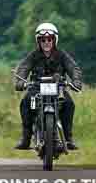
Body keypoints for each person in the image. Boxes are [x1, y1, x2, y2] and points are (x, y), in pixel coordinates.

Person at [13, 22, 83, 151]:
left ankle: (68, 139)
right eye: (43, 39)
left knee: (69, 104)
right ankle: (26, 139)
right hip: (36, 88)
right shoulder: (33, 55)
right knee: (25, 103)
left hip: (58, 88)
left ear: (54, 40)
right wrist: (20, 81)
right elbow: (23, 67)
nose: (46, 42)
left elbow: (73, 68)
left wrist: (76, 81)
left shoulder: (62, 55)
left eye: (49, 39)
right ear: (38, 41)